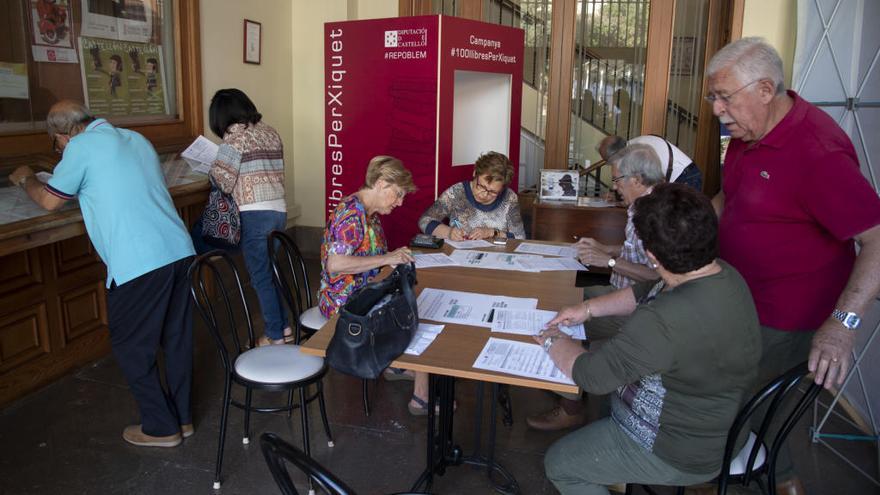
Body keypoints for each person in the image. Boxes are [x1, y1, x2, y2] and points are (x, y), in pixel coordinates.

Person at [705, 37, 880, 495]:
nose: (716, 109)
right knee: (748, 405)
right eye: (712, 97)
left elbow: (876, 238)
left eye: (725, 97)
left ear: (765, 89)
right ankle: (777, 478)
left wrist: (843, 324)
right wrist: (687, 237)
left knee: (730, 401)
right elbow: (729, 197)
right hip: (738, 300)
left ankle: (728, 475)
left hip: (785, 316)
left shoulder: (817, 150)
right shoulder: (748, 133)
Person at [537, 183, 762, 495]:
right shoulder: (723, 274)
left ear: (652, 255)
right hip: (720, 424)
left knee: (561, 463)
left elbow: (593, 376)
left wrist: (551, 340)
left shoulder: (663, 320)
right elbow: (648, 289)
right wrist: (587, 309)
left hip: (678, 449)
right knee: (601, 405)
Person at [9, 100, 195, 447]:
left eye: (56, 143)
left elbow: (50, 201)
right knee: (176, 338)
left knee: (130, 346)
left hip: (139, 259)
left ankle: (160, 427)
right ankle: (182, 419)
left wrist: (26, 179)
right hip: (179, 249)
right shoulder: (134, 138)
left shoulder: (80, 147)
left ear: (61, 135)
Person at [527, 144, 663, 431]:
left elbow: (657, 278)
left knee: (558, 323)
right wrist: (604, 248)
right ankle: (568, 382)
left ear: (636, 180)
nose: (614, 188)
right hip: (618, 293)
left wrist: (609, 260)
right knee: (561, 299)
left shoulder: (655, 215)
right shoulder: (643, 204)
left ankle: (570, 406)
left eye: (617, 181)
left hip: (637, 307)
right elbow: (633, 251)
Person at [318, 156, 434, 415]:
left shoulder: (367, 214)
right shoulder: (351, 214)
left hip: (363, 293)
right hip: (344, 304)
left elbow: (368, 257)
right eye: (398, 194)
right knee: (415, 315)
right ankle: (421, 393)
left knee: (415, 305)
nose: (400, 202)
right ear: (381, 184)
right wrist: (387, 258)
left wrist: (393, 258)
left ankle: (399, 366)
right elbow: (335, 265)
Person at [190, 88, 290, 346]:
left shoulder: (234, 139)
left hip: (253, 215)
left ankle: (275, 336)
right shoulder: (270, 132)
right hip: (278, 212)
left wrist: (210, 167)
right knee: (269, 270)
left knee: (259, 276)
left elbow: (222, 181)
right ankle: (284, 328)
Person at [417, 151, 525, 241]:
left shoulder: (509, 198)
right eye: (481, 186)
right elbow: (425, 221)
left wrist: (491, 232)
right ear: (475, 173)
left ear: (502, 189)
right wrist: (449, 232)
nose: (484, 194)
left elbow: (519, 238)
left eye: (492, 192)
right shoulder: (456, 193)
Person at [597, 134, 703, 190]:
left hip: (686, 176)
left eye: (610, 161)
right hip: (681, 175)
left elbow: (646, 185)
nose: (614, 165)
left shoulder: (638, 151)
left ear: (616, 154)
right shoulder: (634, 146)